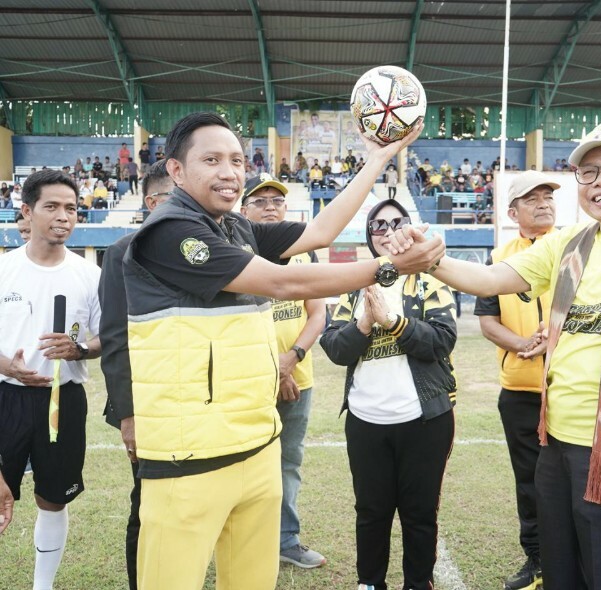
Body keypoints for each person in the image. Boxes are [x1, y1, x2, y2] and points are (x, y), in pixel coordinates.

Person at [390, 120, 601, 589]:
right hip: (558, 447)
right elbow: (490, 279)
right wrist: (432, 257)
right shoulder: (569, 244)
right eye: (588, 172)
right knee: (562, 577)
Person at [122, 112, 442, 590]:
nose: (229, 172)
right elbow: (281, 282)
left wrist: (378, 159)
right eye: (211, 160)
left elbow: (321, 233)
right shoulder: (169, 231)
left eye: (236, 160)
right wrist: (389, 266)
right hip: (188, 458)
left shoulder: (236, 227)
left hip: (256, 446)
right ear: (176, 171)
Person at [320, 198, 457, 590]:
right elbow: (335, 349)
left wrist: (394, 322)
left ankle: (418, 583)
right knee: (371, 512)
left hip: (424, 421)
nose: (388, 231)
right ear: (369, 236)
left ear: (410, 228)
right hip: (366, 422)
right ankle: (369, 583)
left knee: (420, 513)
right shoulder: (353, 287)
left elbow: (442, 340)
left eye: (397, 222)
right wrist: (365, 323)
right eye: (378, 225)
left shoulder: (429, 279)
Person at [0, 170, 102, 588]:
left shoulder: (89, 275)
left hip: (64, 399)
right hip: (6, 397)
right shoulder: (4, 269)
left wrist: (80, 350)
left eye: (72, 208)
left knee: (53, 498)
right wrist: (4, 365)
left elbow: (107, 338)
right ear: (27, 211)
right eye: (53, 207)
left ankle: (43, 586)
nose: (64, 216)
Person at [474, 171, 560, 590]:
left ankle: (572, 561)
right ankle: (538, 561)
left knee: (575, 481)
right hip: (520, 391)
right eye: (532, 199)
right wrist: (525, 344)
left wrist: (553, 341)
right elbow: (488, 322)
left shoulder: (577, 248)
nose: (543, 203)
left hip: (572, 391)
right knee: (529, 483)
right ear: (513, 213)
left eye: (548, 197)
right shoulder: (499, 259)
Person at [239, 173, 327, 569]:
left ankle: (285, 540)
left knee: (288, 463)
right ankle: (242, 540)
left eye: (276, 201)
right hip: (247, 381)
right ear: (244, 211)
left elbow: (318, 314)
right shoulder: (236, 252)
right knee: (243, 464)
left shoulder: (305, 255)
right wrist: (275, 370)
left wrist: (293, 358)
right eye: (260, 201)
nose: (270, 207)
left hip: (298, 379)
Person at [98, 160, 174, 590]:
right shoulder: (122, 252)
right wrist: (129, 415)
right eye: (177, 199)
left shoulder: (205, 245)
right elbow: (115, 338)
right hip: (148, 407)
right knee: (148, 504)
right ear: (152, 202)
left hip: (196, 404)